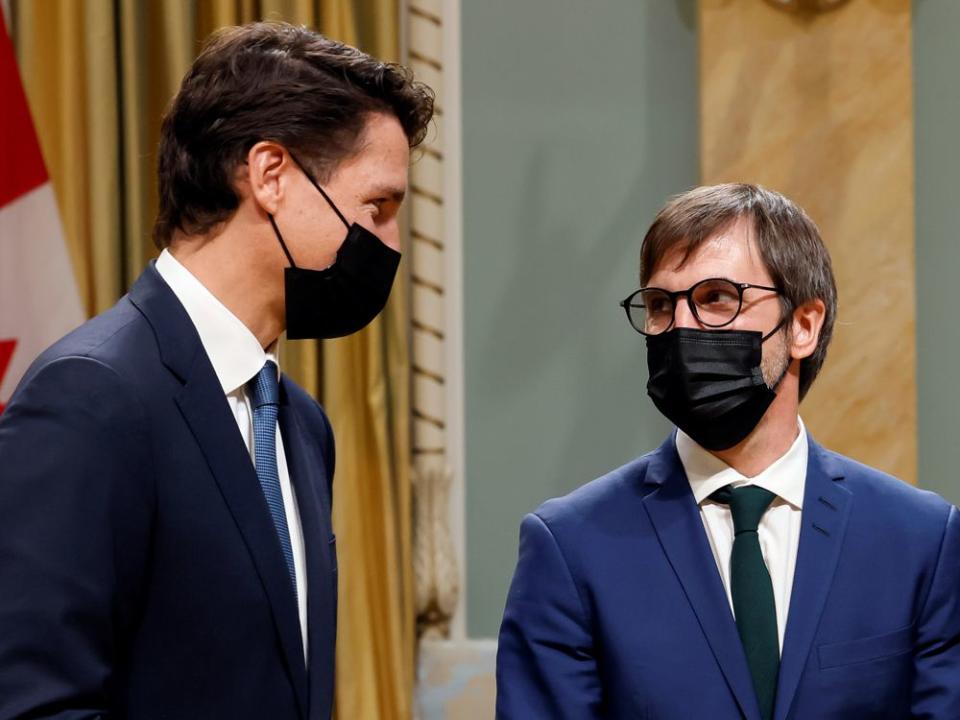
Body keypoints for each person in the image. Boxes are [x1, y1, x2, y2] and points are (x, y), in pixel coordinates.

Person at [0, 22, 433, 719]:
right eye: (377, 207)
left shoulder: (301, 423)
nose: (390, 245)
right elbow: (34, 704)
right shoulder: (90, 397)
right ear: (270, 175)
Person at [496, 184, 960, 719]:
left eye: (717, 298)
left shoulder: (920, 541)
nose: (681, 328)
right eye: (660, 305)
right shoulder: (571, 546)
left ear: (804, 325)